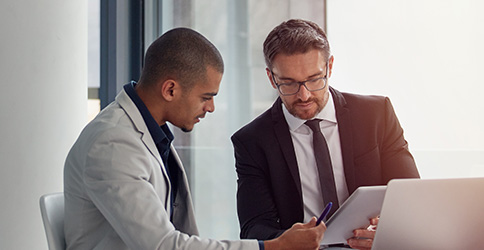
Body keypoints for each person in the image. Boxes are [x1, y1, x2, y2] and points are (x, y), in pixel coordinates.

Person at [64, 27, 325, 250]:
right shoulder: (113, 144)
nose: (210, 108)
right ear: (170, 89)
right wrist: (272, 246)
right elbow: (163, 245)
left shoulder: (148, 134)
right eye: (206, 97)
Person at [231, 19, 420, 250]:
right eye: (289, 84)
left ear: (329, 67)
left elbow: (412, 198)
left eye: (314, 79)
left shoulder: (376, 115)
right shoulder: (252, 141)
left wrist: (388, 230)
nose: (304, 95)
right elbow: (254, 227)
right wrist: (288, 240)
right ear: (272, 78)